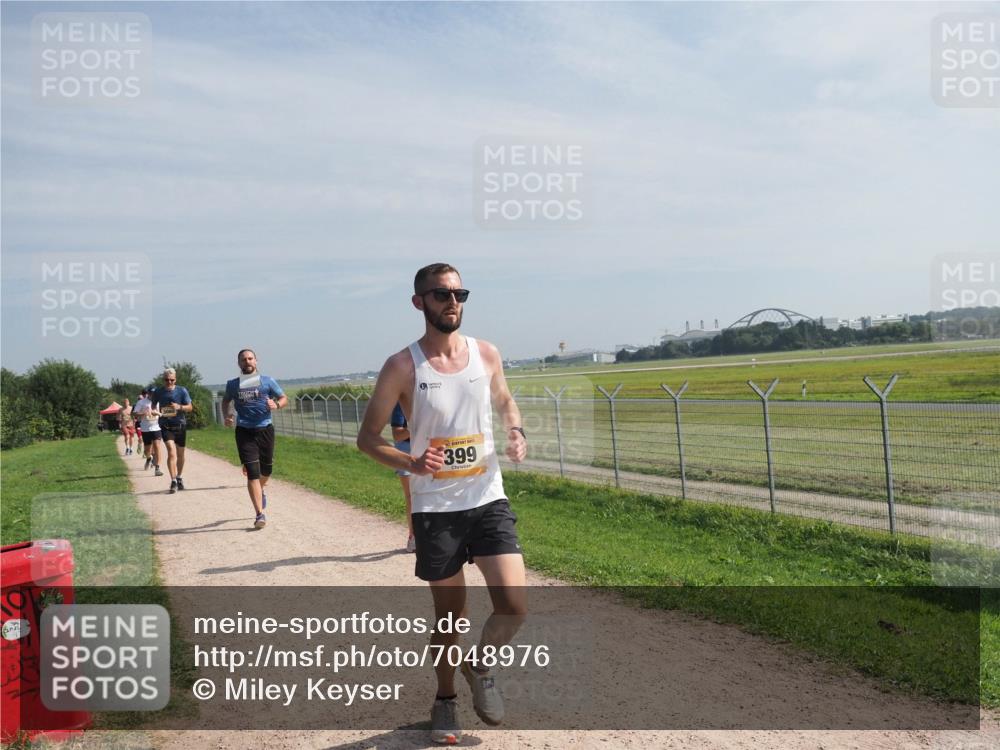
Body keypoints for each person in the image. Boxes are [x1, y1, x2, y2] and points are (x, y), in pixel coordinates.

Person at [357, 262, 528, 744]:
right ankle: (446, 700)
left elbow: (505, 402)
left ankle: (481, 665)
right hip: (436, 509)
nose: (452, 302)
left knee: (513, 605)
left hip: (487, 497)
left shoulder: (487, 353)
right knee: (451, 620)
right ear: (419, 303)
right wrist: (412, 462)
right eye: (440, 295)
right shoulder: (402, 366)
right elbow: (367, 440)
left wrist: (515, 430)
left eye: (459, 293)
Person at [221, 349, 288, 529]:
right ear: (239, 364)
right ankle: (259, 514)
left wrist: (277, 404)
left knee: (266, 471)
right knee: (252, 472)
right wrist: (227, 415)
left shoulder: (267, 381)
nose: (247, 362)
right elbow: (225, 401)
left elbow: (283, 397)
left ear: (256, 361)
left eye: (250, 358)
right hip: (244, 431)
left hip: (265, 429)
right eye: (243, 360)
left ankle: (261, 489)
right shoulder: (233, 384)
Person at [152, 368, 193, 493]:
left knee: (180, 455)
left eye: (172, 380)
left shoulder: (182, 391)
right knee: (171, 451)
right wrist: (154, 410)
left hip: (179, 425)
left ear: (175, 379)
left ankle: (179, 477)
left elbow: (190, 407)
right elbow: (153, 406)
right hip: (166, 425)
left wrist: (179, 407)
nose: (169, 382)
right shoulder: (158, 391)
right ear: (163, 379)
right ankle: (173, 480)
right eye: (166, 380)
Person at [391, 402, 416, 553]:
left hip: (428, 447)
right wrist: (416, 426)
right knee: (411, 496)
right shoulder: (401, 404)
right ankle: (413, 537)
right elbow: (397, 434)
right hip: (406, 450)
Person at [133, 389, 164, 476]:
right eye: (151, 393)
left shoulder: (158, 402)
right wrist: (144, 413)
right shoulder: (142, 402)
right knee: (147, 450)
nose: (153, 395)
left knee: (157, 447)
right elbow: (135, 413)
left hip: (156, 428)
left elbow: (163, 413)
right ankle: (149, 458)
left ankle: (157, 468)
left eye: (155, 393)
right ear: (148, 394)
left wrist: (158, 413)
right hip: (145, 429)